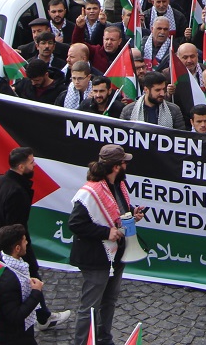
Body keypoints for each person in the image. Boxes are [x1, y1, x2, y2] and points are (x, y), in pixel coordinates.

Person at [0, 147, 71, 332]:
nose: (34, 166)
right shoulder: (17, 191)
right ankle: (43, 317)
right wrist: (24, 249)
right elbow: (18, 227)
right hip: (11, 247)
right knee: (32, 278)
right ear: (20, 166)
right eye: (31, 163)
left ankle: (43, 316)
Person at [69, 144, 143, 345]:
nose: (127, 166)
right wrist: (105, 232)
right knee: (90, 307)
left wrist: (132, 213)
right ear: (116, 167)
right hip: (96, 257)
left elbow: (118, 210)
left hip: (116, 254)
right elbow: (75, 223)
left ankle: (103, 339)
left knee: (109, 301)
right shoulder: (90, 192)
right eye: (124, 163)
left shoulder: (117, 186)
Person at [0, 224, 45, 345]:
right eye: (25, 241)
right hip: (11, 338)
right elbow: (15, 317)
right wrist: (36, 292)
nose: (27, 244)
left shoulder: (0, 258)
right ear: (17, 248)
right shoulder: (8, 282)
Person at [120, 71, 185, 129]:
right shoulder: (128, 111)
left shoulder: (174, 110)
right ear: (146, 90)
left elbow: (180, 136)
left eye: (163, 89)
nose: (162, 93)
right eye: (157, 90)